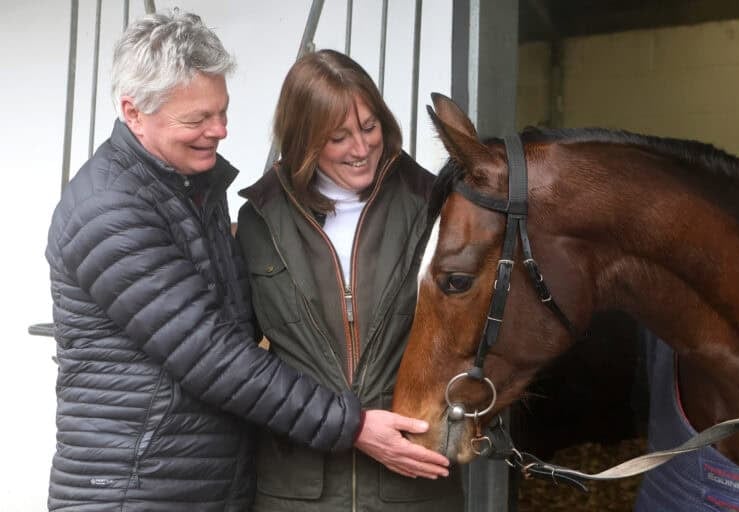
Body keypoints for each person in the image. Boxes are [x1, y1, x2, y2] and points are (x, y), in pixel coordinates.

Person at [45, 12, 446, 512]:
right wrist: (355, 424)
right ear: (133, 113)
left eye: (222, 112)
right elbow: (213, 356)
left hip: (200, 482)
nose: (220, 131)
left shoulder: (192, 191)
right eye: (198, 120)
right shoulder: (110, 210)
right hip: (134, 488)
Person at [236, 49, 464, 511]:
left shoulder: (435, 207)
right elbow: (238, 364)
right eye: (338, 137)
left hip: (410, 483)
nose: (361, 149)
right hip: (295, 491)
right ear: (304, 140)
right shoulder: (260, 219)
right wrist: (349, 425)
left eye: (369, 126)